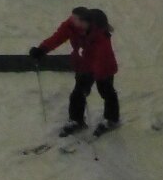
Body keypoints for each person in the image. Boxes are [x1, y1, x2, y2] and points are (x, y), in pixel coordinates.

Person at [30, 7, 120, 137]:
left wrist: (98, 75)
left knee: (106, 90)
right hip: (84, 63)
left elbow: (102, 57)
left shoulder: (100, 35)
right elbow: (58, 37)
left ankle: (111, 119)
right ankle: (76, 120)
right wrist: (42, 49)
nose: (71, 20)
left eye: (75, 18)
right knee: (78, 93)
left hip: (103, 65)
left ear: (84, 22)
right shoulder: (71, 26)